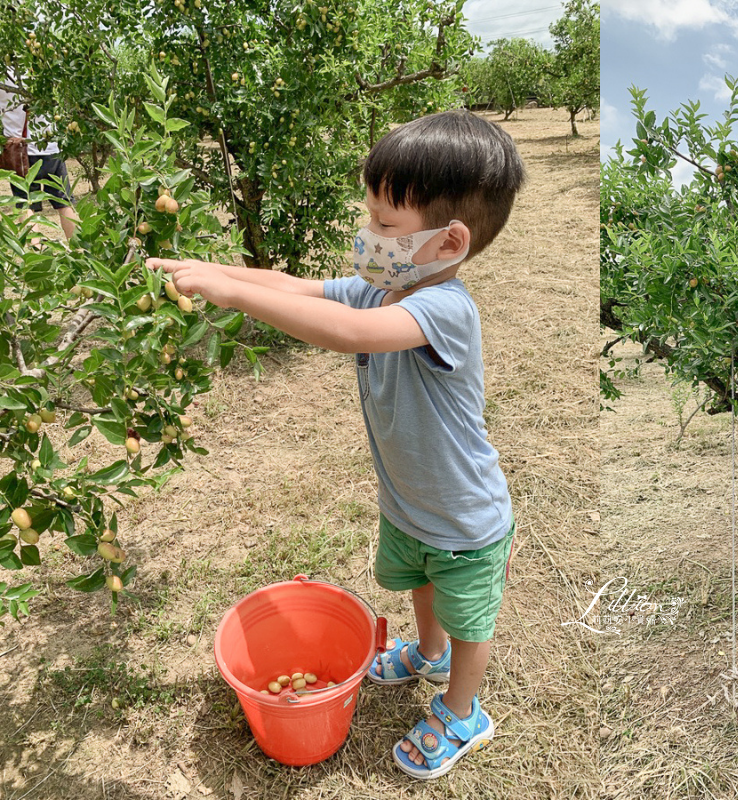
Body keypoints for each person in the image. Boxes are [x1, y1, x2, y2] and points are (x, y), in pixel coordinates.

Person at [148, 109, 525, 780]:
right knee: (418, 585)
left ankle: (462, 710)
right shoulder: (386, 286)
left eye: (385, 224)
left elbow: (341, 332)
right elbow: (298, 288)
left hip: (465, 519)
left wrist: (232, 294)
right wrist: (214, 267)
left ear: (447, 241)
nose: (368, 235)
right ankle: (428, 652)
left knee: (469, 616)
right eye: (371, 216)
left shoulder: (442, 308)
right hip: (410, 504)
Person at [1, 68, 79, 239]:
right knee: (64, 202)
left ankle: (36, 255)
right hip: (50, 147)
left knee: (26, 204)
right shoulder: (43, 68)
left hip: (20, 153)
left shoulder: (4, 74)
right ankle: (83, 250)